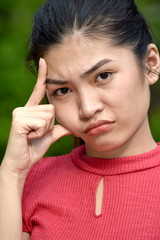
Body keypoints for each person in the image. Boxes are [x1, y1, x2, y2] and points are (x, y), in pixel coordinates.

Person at [0, 0, 160, 239]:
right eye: (63, 90)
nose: (87, 108)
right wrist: (11, 174)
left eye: (103, 76)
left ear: (149, 64)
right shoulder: (28, 182)